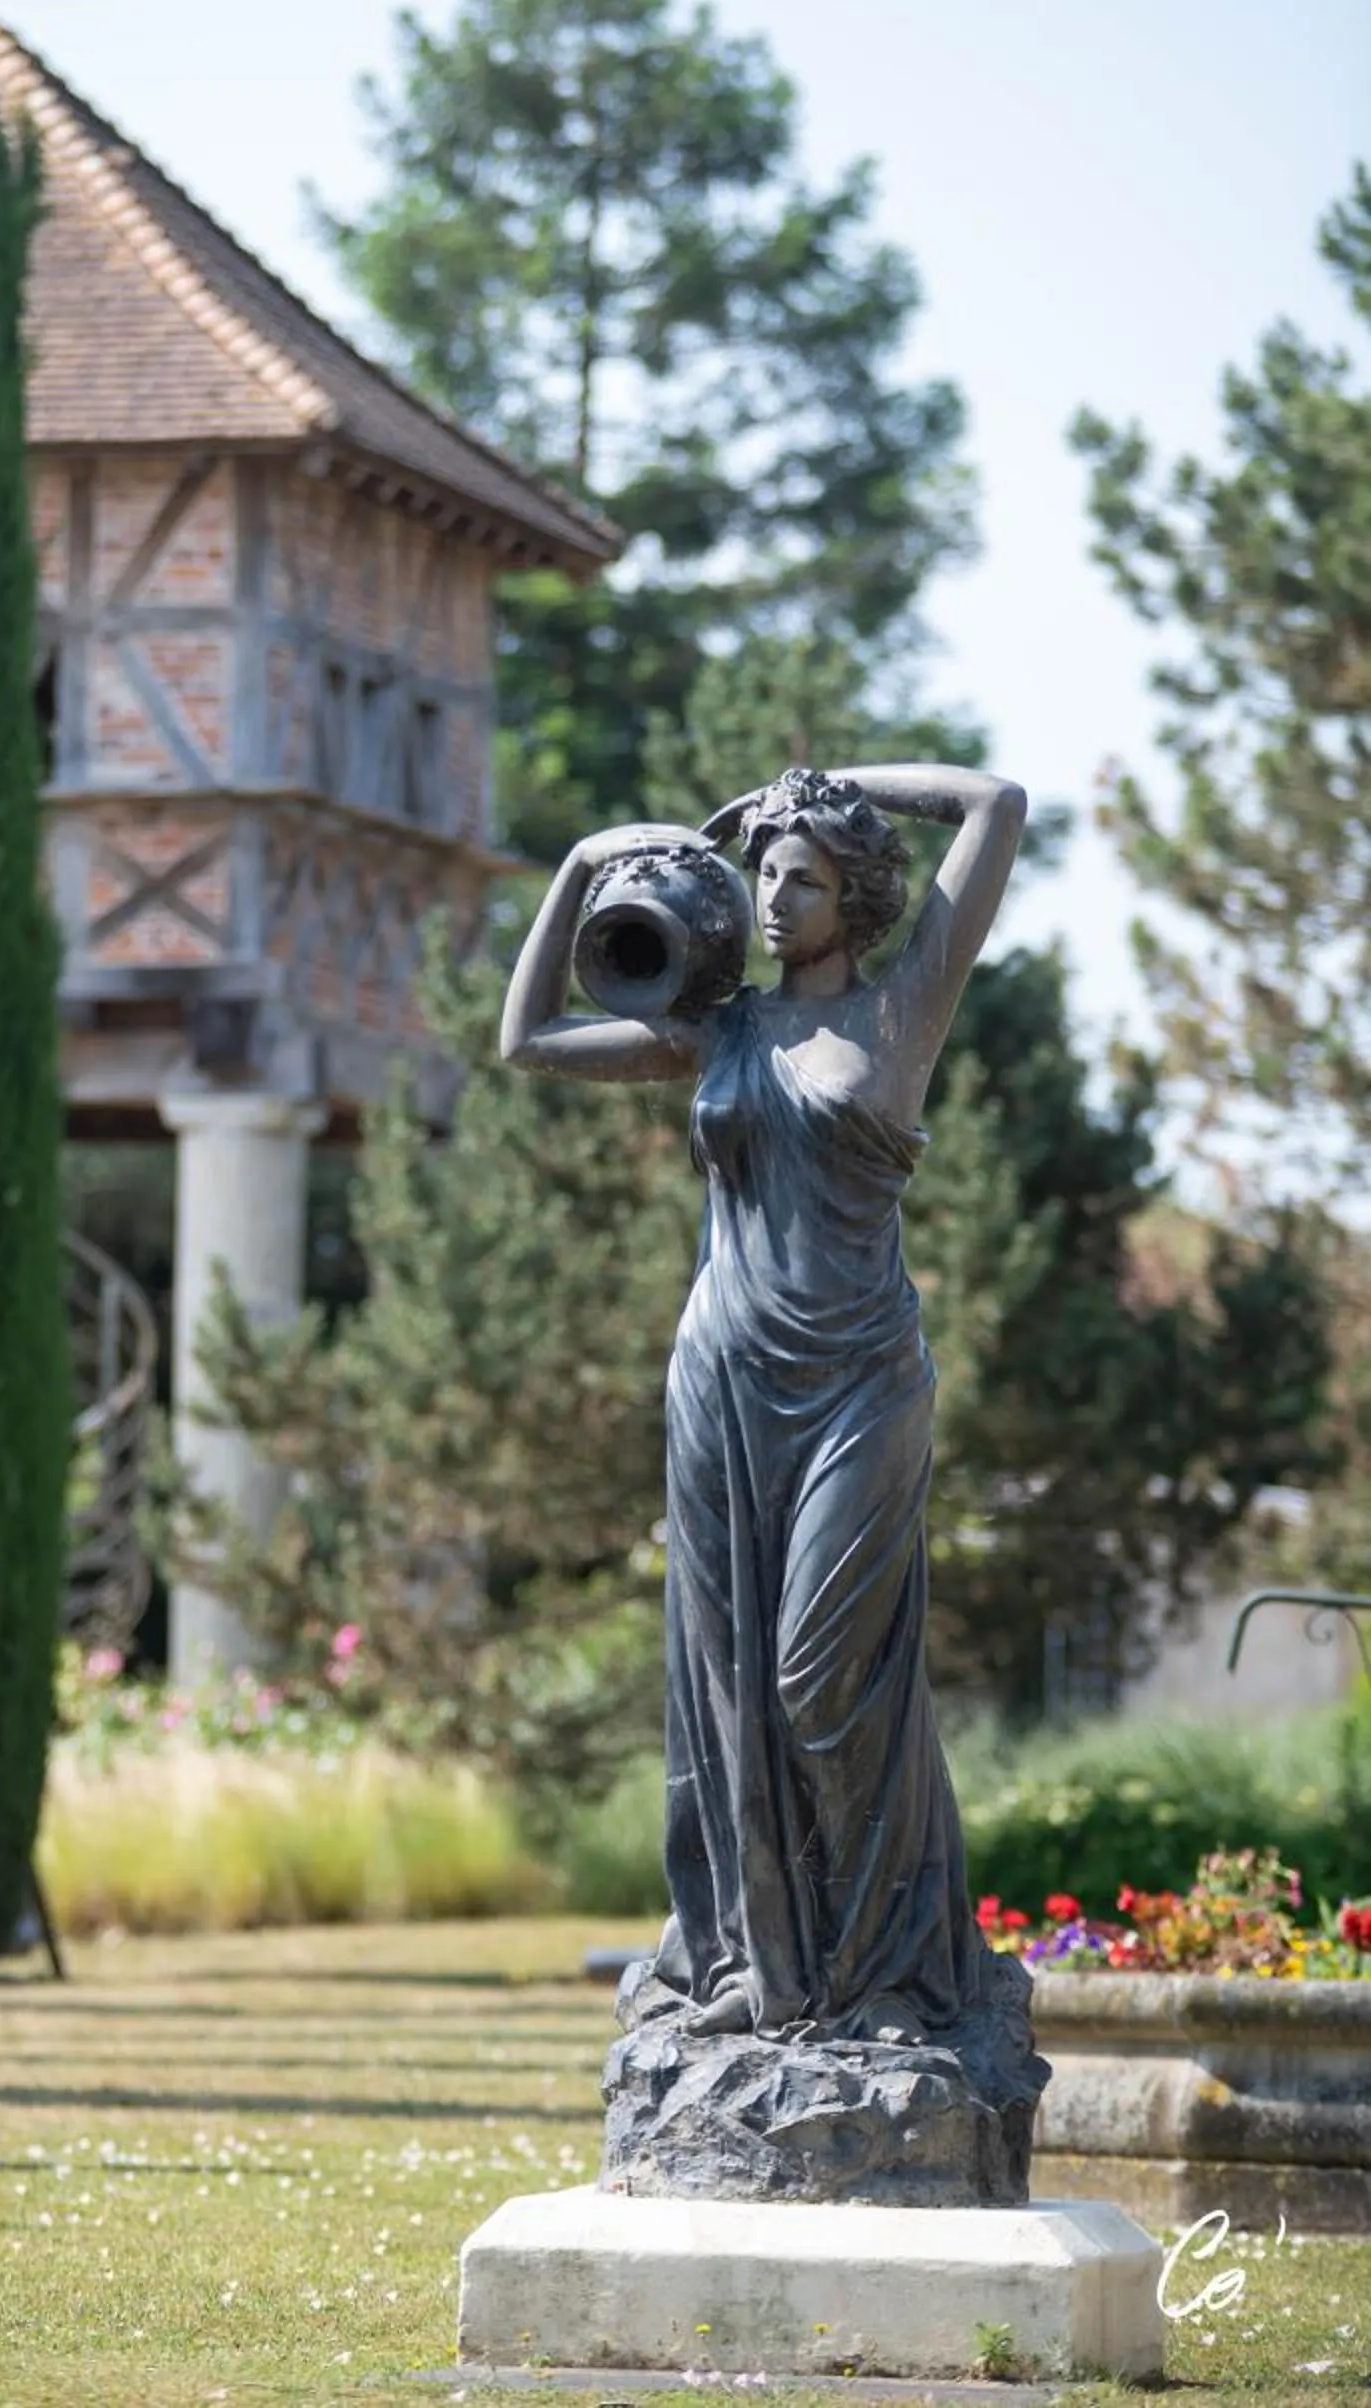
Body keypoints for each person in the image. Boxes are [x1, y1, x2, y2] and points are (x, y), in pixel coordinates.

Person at [499, 762, 1026, 2045]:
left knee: (821, 1674)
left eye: (806, 881)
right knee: (730, 1682)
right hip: (722, 1380)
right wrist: (580, 867)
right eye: (768, 875)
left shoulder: (904, 1008)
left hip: (859, 1385)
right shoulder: (720, 1030)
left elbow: (995, 804)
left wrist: (817, 785)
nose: (776, 899)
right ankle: (757, 1956)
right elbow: (528, 1040)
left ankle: (886, 1967)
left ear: (859, 900)